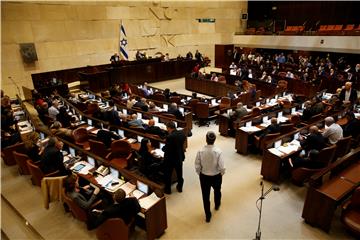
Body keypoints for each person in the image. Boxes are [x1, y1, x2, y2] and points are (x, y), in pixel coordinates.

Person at [195, 131, 225, 223]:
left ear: (206, 139)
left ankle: (208, 215)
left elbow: (197, 164)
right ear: (215, 140)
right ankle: (217, 205)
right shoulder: (218, 151)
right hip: (216, 176)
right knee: (217, 191)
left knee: (205, 196)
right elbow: (222, 167)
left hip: (204, 177)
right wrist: (221, 173)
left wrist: (200, 173)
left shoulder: (200, 151)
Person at [162, 121, 186, 194]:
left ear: (169, 128)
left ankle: (168, 190)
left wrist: (163, 148)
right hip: (179, 156)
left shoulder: (170, 137)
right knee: (179, 173)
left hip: (170, 159)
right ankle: (180, 187)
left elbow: (167, 149)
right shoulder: (182, 133)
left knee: (168, 174)